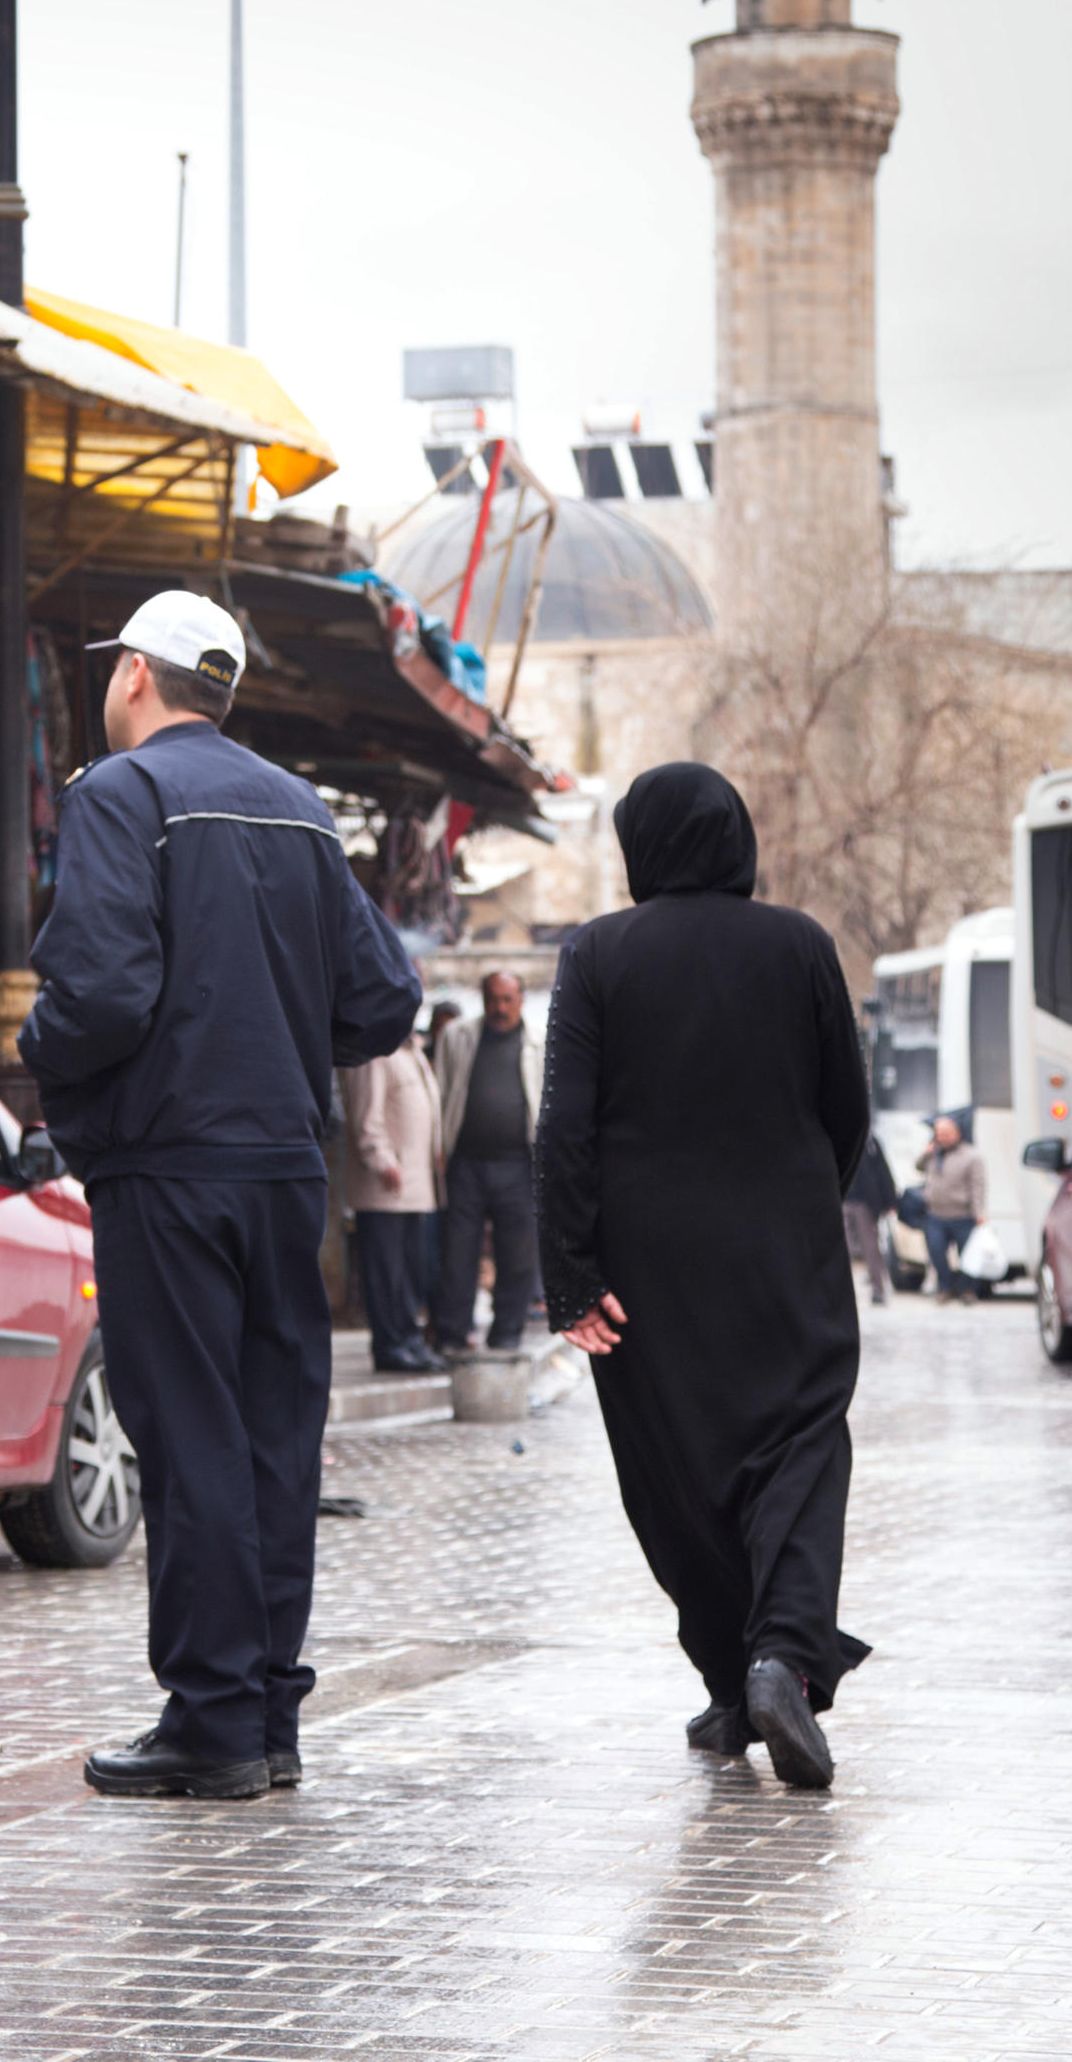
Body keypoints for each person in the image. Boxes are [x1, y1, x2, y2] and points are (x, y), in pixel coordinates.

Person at [22, 590, 422, 1802]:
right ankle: (266, 1715)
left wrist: (45, 1049)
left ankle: (210, 1719)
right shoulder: (299, 810)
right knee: (269, 1442)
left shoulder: (117, 795)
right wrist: (277, 1033)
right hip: (281, 1172)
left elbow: (95, 996)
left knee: (190, 1435)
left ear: (136, 674)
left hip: (168, 1166)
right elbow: (384, 998)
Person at [542, 762, 875, 1791]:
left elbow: (565, 1128)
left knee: (675, 1474)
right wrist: (810, 1196)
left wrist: (570, 1276)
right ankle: (774, 1659)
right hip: (786, 1247)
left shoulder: (597, 952)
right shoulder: (802, 945)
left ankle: (737, 1677)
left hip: (646, 1264)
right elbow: (845, 1106)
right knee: (799, 1450)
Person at [432, 971, 545, 1355]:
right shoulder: (458, 1037)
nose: (500, 1007)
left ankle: (507, 1332)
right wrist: (439, 1146)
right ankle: (452, 1333)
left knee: (517, 1252)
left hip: (519, 1164)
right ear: (483, 1000)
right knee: (458, 1252)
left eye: (507, 999)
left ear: (521, 999)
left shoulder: (539, 1042)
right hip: (466, 1163)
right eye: (493, 999)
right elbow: (441, 1092)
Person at [333, 1034, 443, 1374]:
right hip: (386, 1186)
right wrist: (380, 1160)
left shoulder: (412, 1051)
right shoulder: (374, 1049)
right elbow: (366, 1115)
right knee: (385, 1270)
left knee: (409, 1268)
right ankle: (391, 1344)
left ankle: (408, 1339)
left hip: (414, 1185)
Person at [916, 1114, 985, 1302]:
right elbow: (918, 1167)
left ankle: (967, 1290)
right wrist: (926, 1152)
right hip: (936, 1215)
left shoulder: (971, 1156)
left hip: (962, 1215)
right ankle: (945, 1287)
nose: (943, 1137)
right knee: (936, 1252)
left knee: (967, 1256)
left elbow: (977, 1186)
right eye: (939, 1133)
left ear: (958, 1133)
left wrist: (979, 1213)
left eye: (947, 1133)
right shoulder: (934, 1153)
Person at [839, 1136, 895, 1309]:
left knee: (871, 1248)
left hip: (864, 1202)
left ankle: (878, 1290)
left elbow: (881, 1170)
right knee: (840, 1249)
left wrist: (889, 1200)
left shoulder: (870, 1141)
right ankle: (841, 1294)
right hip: (842, 1199)